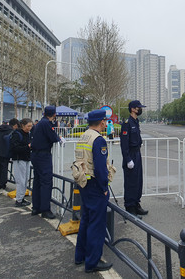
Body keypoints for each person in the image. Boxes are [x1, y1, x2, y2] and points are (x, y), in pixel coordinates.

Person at [74, 109, 113, 273]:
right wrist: (104, 187)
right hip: (95, 185)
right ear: (102, 122)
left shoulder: (83, 136)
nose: (106, 124)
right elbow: (100, 168)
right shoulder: (98, 140)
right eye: (106, 121)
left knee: (86, 220)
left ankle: (80, 256)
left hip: (84, 183)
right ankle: (92, 262)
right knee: (96, 225)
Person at [31, 106, 61, 219]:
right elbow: (53, 137)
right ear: (53, 114)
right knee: (46, 182)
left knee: (37, 181)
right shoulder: (46, 124)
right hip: (43, 155)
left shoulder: (40, 123)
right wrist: (59, 139)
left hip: (35, 154)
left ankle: (36, 207)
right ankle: (45, 209)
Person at [120, 100, 148, 216]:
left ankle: (136, 203)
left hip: (137, 153)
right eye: (138, 108)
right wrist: (127, 159)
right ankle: (130, 206)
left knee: (138, 181)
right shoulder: (127, 123)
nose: (140, 109)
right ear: (132, 109)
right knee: (131, 182)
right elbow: (124, 144)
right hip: (130, 154)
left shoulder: (136, 122)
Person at [0, 118, 19, 195]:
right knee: (3, 170)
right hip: (4, 154)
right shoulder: (11, 132)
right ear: (15, 125)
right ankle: (1, 187)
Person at [11, 118, 33, 207]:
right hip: (19, 159)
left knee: (25, 179)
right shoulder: (17, 134)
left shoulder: (28, 134)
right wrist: (27, 147)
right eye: (28, 126)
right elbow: (14, 148)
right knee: (21, 180)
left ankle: (21, 198)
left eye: (31, 126)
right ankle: (19, 200)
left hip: (26, 158)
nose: (30, 128)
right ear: (23, 125)